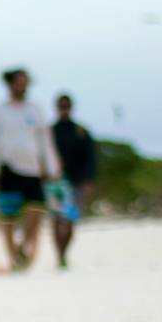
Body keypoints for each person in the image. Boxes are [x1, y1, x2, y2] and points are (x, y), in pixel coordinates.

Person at [0, 67, 62, 271]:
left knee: (36, 212)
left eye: (26, 82)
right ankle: (12, 258)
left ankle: (23, 248)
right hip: (8, 169)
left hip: (33, 169)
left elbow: (45, 140)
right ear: (10, 84)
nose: (23, 86)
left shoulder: (34, 110)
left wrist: (52, 166)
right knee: (8, 216)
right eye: (19, 82)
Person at [50, 92, 98, 269]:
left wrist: (89, 179)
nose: (64, 109)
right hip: (55, 183)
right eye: (61, 106)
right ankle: (59, 255)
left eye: (67, 106)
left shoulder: (81, 132)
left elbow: (90, 157)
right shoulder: (50, 131)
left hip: (76, 182)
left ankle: (63, 253)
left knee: (71, 220)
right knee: (56, 219)